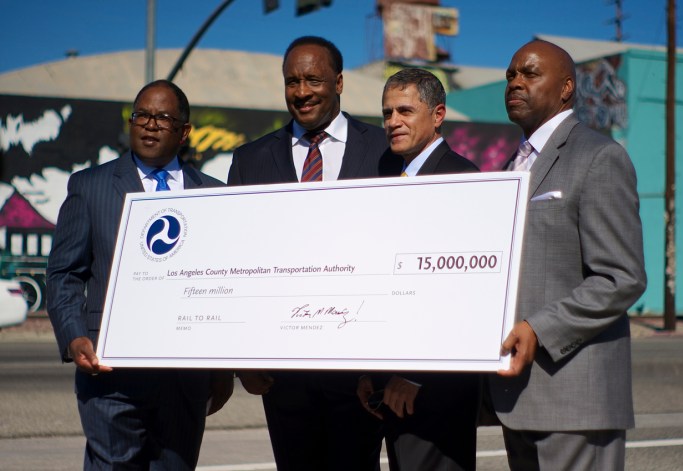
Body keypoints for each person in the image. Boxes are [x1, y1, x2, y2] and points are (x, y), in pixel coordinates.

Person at [46, 79, 232, 470]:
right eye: (141, 115)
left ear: (184, 132)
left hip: (185, 381)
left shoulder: (215, 194)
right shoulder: (89, 187)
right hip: (110, 372)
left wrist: (223, 369)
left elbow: (221, 285)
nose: (149, 124)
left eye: (162, 117)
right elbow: (64, 274)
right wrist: (74, 334)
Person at [227, 36, 389, 471]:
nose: (301, 92)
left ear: (339, 82)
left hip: (362, 367)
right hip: (283, 373)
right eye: (292, 82)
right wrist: (243, 358)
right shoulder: (250, 161)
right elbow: (236, 262)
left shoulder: (385, 152)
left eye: (313, 80)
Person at [486, 39, 647, 470]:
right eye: (510, 75)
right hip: (518, 396)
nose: (515, 82)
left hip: (576, 399)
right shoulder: (511, 166)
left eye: (530, 73)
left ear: (566, 89)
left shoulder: (599, 157)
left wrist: (538, 328)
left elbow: (621, 277)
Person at [357, 68, 480, 471]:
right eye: (387, 112)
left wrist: (415, 376)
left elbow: (464, 292)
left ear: (438, 113)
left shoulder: (463, 179)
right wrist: (370, 372)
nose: (393, 122)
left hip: (436, 391)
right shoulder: (385, 177)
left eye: (405, 111)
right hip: (386, 389)